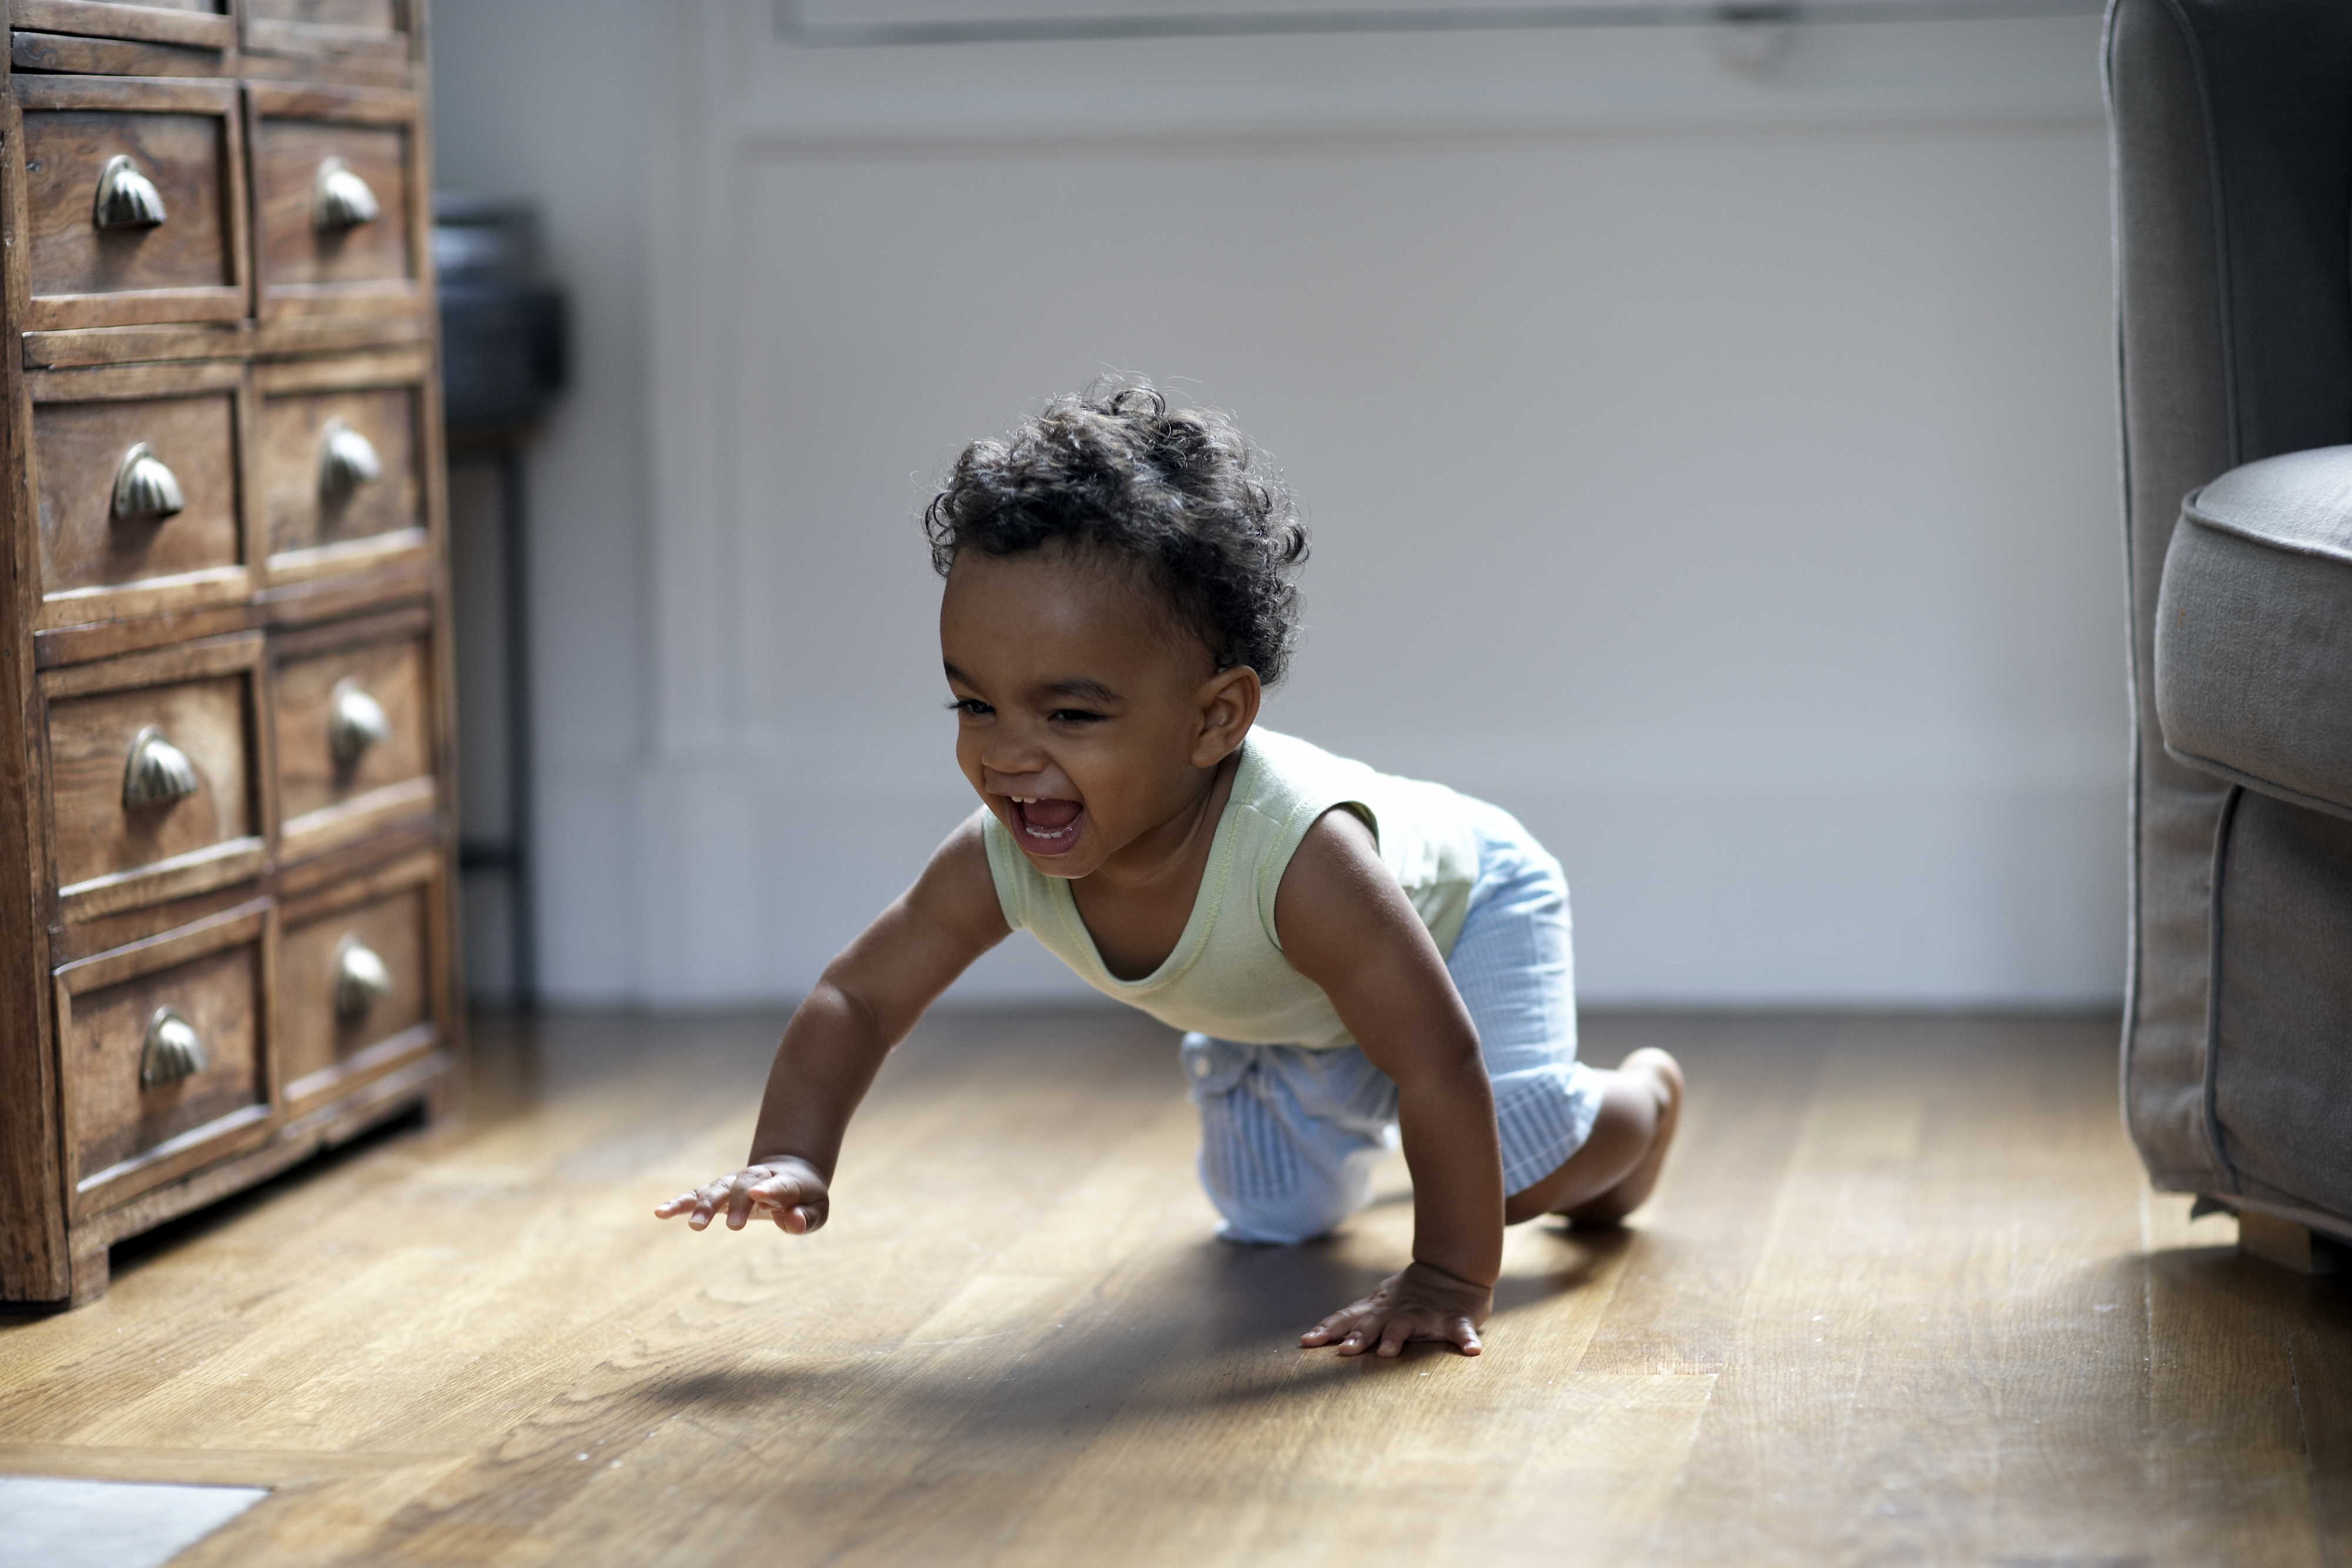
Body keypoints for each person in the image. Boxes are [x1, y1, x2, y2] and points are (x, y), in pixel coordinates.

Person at [656, 380, 1682, 1358]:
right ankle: (1359, 1104)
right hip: (1304, 1002)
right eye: (975, 705)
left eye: (1070, 714)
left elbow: (1439, 1059)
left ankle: (1643, 1103)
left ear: (1214, 719)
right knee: (1272, 1218)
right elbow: (858, 1000)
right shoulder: (1006, 858)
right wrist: (795, 1153)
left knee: (1509, 1171)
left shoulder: (1302, 854)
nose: (1007, 756)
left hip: (1467, 919)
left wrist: (1449, 1277)